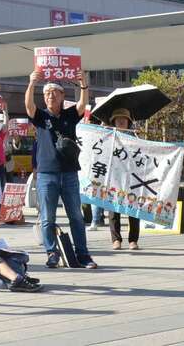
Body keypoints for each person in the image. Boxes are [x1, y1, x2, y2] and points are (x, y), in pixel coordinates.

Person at [26, 68, 97, 269]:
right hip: (46, 173)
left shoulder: (69, 114)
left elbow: (82, 105)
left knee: (76, 215)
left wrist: (83, 84)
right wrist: (32, 83)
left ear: (62, 96)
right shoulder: (40, 116)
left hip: (69, 173)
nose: (50, 96)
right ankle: (52, 253)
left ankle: (83, 255)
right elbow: (29, 106)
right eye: (47, 93)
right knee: (47, 217)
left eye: (55, 92)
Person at [102, 108, 141, 250]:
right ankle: (116, 239)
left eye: (124, 119)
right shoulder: (108, 136)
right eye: (118, 119)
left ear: (128, 122)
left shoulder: (135, 137)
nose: (121, 121)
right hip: (113, 176)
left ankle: (133, 240)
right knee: (113, 209)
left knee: (133, 208)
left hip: (131, 177)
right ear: (113, 121)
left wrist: (138, 138)